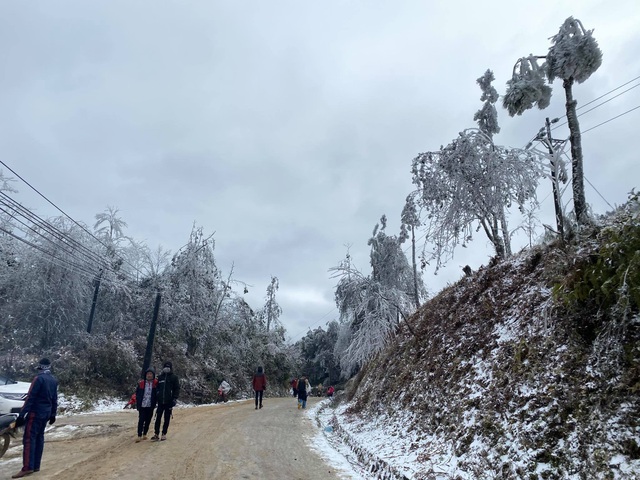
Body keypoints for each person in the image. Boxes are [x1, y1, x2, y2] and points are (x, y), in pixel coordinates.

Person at [12, 358, 58, 479]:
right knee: (39, 437)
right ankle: (36, 465)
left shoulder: (38, 379)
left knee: (29, 439)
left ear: (40, 367)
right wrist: (53, 414)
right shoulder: (53, 380)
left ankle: (27, 467)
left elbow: (30, 397)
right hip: (46, 413)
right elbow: (54, 398)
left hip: (35, 413)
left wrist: (22, 415)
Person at [151, 361, 180, 442]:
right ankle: (156, 434)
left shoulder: (174, 377)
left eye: (168, 367)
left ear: (171, 368)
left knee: (167, 418)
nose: (167, 368)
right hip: (160, 401)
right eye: (165, 367)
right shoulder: (160, 377)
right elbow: (156, 387)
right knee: (158, 418)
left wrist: (174, 398)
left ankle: (164, 434)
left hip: (169, 401)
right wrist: (157, 393)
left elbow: (176, 388)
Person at [135, 367, 158, 443]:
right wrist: (137, 403)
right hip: (142, 404)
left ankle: (145, 433)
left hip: (150, 405)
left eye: (151, 374)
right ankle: (139, 435)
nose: (149, 375)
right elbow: (137, 394)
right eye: (148, 374)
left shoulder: (155, 383)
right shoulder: (141, 383)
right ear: (145, 375)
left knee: (148, 420)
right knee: (141, 420)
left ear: (153, 375)